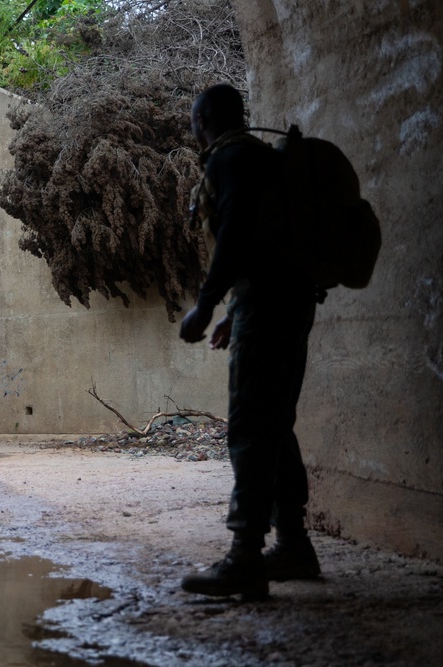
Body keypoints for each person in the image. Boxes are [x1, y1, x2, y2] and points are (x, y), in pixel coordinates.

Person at [178, 83, 322, 601]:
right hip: (286, 299)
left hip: (268, 306)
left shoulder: (230, 159)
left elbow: (237, 232)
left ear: (205, 118)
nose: (193, 129)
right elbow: (270, 244)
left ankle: (245, 557)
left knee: (249, 426)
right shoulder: (260, 157)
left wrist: (207, 302)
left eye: (194, 120)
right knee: (275, 422)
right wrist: (235, 311)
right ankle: (295, 545)